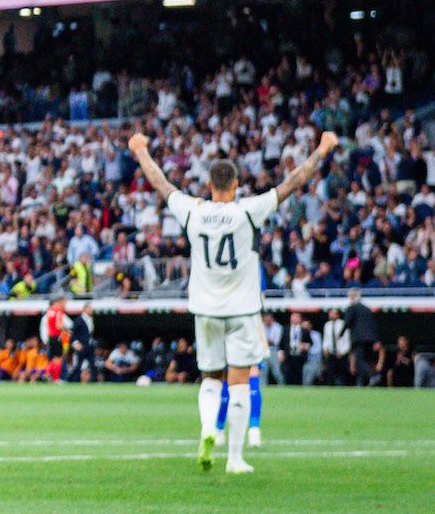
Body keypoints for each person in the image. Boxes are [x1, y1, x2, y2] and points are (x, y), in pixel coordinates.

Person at [129, 130, 336, 474]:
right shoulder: (247, 211)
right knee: (239, 381)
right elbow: (292, 182)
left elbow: (161, 184)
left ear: (209, 184)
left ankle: (210, 427)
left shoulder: (193, 211)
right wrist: (322, 150)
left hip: (205, 309)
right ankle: (236, 459)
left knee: (210, 378)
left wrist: (141, 151)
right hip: (242, 310)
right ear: (237, 183)